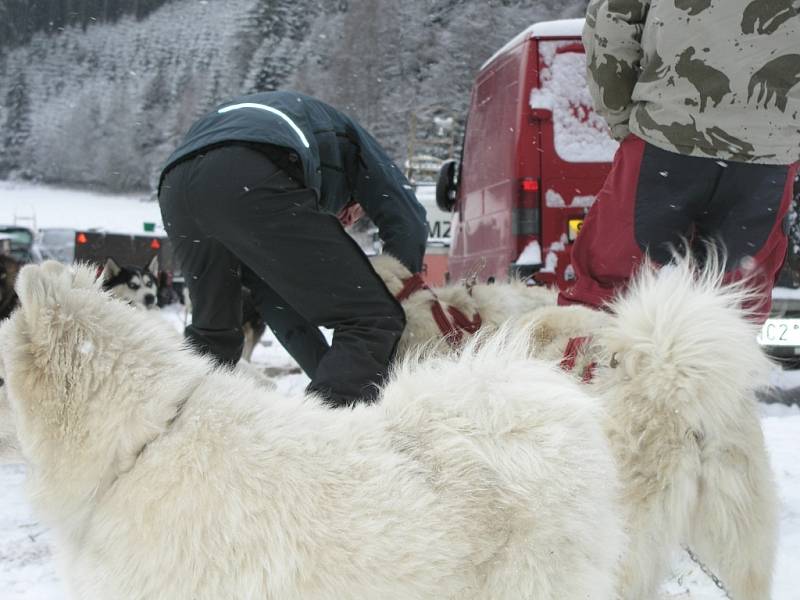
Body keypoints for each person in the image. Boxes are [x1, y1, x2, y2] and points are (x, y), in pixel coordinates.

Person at [158, 91, 428, 407]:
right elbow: (409, 221)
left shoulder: (301, 136)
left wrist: (340, 372)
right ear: (356, 196)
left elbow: (280, 308)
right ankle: (321, 445)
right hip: (249, 167)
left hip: (175, 185)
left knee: (214, 337)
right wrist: (400, 303)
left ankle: (162, 432)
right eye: (349, 213)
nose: (343, 221)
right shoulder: (354, 142)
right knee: (375, 317)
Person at [559, 0, 800, 321]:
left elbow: (611, 23)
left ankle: (595, 364)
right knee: (735, 303)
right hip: (769, 158)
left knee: (609, 287)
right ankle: (719, 366)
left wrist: (623, 119)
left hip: (667, 137)